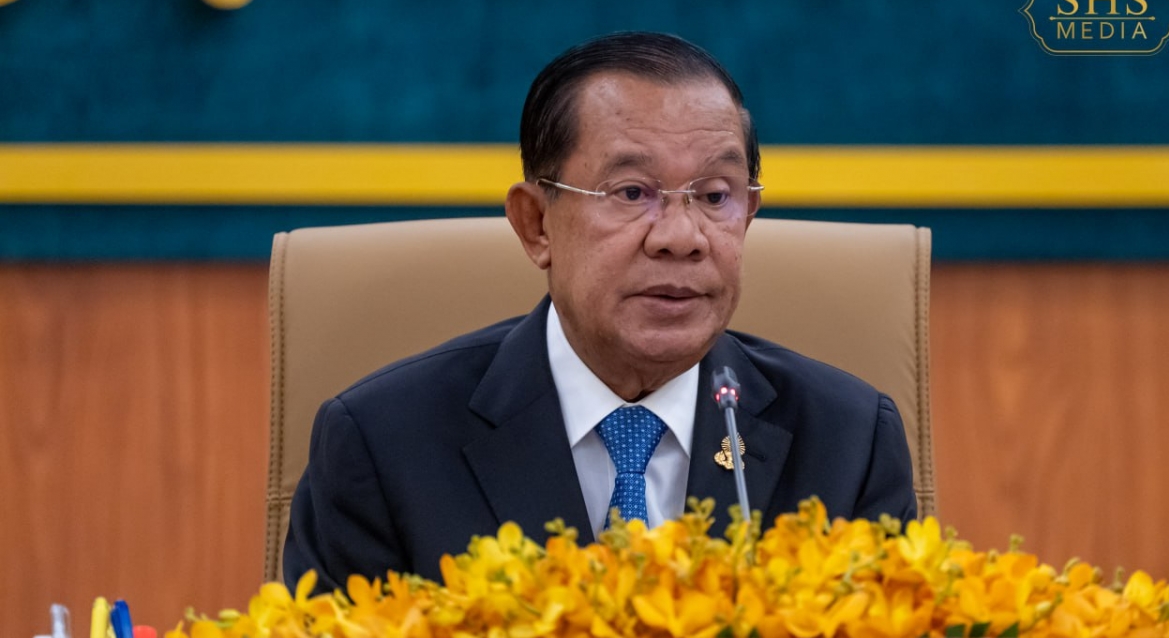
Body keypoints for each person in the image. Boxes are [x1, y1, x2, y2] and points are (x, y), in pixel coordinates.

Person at [283, 32, 916, 594]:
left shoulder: (847, 441)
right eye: (632, 192)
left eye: (714, 195)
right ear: (536, 224)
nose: (681, 237)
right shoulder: (382, 444)